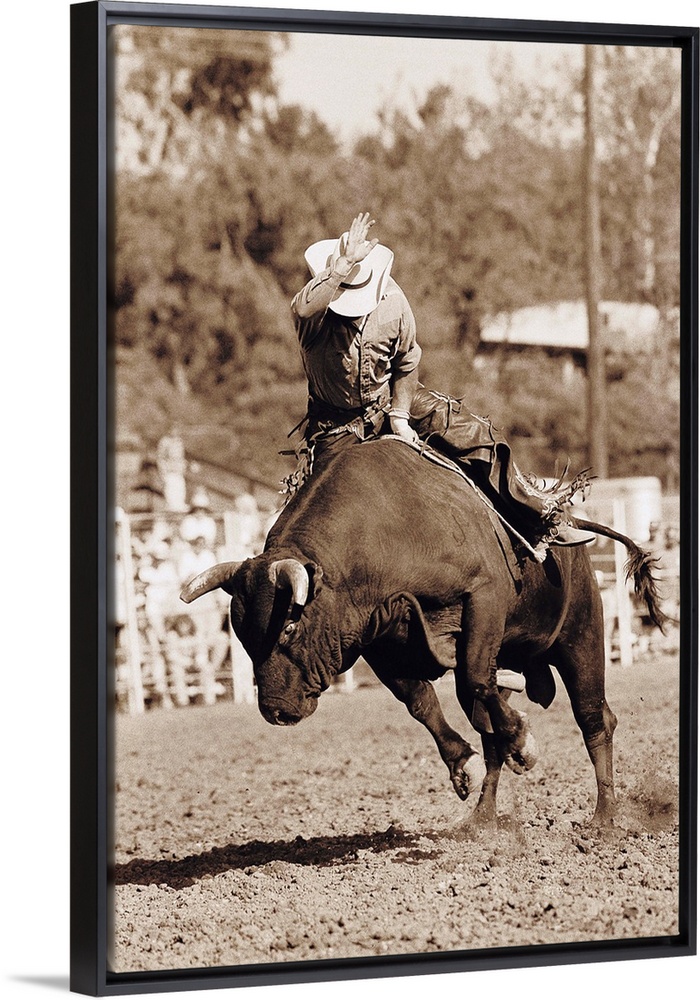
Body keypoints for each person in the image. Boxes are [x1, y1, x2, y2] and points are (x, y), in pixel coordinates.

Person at [288, 211, 595, 555]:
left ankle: (540, 517)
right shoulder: (314, 319)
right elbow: (302, 309)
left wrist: (399, 416)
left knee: (474, 433)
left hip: (389, 401)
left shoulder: (393, 303)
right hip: (334, 426)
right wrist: (343, 266)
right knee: (326, 505)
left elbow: (407, 362)